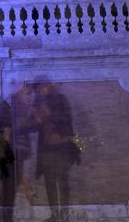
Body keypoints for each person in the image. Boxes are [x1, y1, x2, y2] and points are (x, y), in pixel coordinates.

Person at [32, 82, 80, 222]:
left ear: (47, 86)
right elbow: (36, 126)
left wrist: (48, 115)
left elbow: (66, 119)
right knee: (50, 181)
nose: (40, 91)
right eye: (38, 89)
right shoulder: (38, 102)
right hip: (46, 148)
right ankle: (54, 215)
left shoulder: (61, 99)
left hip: (62, 147)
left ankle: (64, 215)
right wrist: (36, 118)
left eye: (42, 87)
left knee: (62, 180)